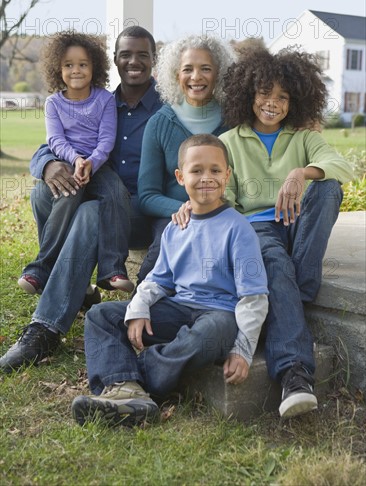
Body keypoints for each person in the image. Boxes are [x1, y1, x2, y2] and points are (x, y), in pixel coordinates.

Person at [174, 47, 353, 419]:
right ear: (249, 94)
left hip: (298, 223)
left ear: (295, 101)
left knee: (328, 187)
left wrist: (301, 173)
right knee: (273, 260)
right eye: (265, 93)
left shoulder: (302, 138)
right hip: (257, 228)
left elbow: (342, 165)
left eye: (283, 97)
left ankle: (292, 290)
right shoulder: (230, 142)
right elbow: (227, 200)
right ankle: (295, 375)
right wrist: (193, 205)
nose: (273, 103)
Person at [71, 134, 269, 427]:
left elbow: (254, 297)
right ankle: (129, 395)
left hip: (220, 315)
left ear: (227, 175)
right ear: (180, 177)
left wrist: (242, 349)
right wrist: (138, 307)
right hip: (178, 309)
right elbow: (158, 280)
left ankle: (128, 382)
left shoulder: (238, 229)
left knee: (210, 333)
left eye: (215, 170)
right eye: (197, 170)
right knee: (101, 315)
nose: (207, 178)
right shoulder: (176, 228)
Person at [0, 26, 162, 373]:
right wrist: (45, 165)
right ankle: (78, 289)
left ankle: (44, 327)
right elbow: (50, 143)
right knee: (44, 191)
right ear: (115, 61)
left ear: (154, 60)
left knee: (89, 211)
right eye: (125, 54)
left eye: (142, 55)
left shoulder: (164, 112)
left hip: (134, 212)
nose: (133, 61)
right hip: (85, 185)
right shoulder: (100, 100)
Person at [18, 31, 135, 296]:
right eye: (68, 65)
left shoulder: (105, 99)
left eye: (83, 64)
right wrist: (76, 160)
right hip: (67, 163)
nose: (76, 70)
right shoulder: (54, 104)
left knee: (116, 194)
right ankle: (40, 269)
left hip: (99, 165)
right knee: (67, 194)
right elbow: (55, 140)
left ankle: (112, 269)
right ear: (57, 69)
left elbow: (107, 139)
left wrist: (91, 161)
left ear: (94, 66)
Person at [136, 34, 236, 282]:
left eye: (206, 69)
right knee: (161, 255)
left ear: (219, 73)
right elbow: (147, 196)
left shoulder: (235, 120)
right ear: (175, 75)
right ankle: (136, 314)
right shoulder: (159, 123)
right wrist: (185, 209)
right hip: (177, 216)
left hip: (223, 215)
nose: (196, 77)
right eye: (187, 69)